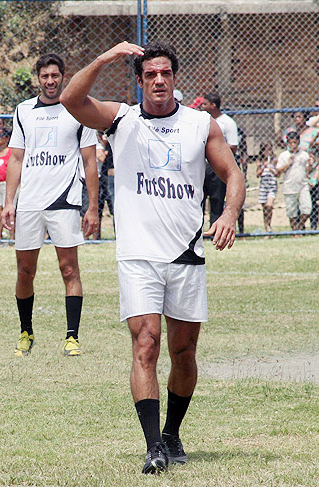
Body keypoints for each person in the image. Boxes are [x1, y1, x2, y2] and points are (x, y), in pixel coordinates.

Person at [60, 41, 245, 474]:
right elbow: (71, 99)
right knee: (146, 344)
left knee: (183, 350)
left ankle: (172, 432)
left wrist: (230, 213)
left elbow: (232, 174)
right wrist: (105, 58)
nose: (158, 81)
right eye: (149, 75)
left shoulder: (201, 125)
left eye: (165, 73)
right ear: (140, 81)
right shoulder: (121, 119)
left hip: (186, 255)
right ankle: (152, 447)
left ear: (174, 79)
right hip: (138, 255)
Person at [2, 53, 99, 358]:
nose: (50, 81)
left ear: (63, 77)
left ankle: (72, 336)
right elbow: (16, 158)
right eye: (45, 76)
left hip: (64, 202)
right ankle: (25, 331)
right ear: (38, 79)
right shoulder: (24, 111)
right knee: (25, 271)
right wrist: (9, 202)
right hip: (29, 203)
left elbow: (89, 160)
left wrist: (93, 206)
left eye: (55, 76)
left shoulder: (78, 109)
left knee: (69, 268)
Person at [200, 93, 238, 227]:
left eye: (205, 104)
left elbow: (233, 146)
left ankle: (214, 231)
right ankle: (197, 232)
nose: (202, 106)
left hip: (217, 167)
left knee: (216, 200)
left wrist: (213, 150)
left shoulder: (227, 122)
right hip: (202, 166)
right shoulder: (203, 121)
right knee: (199, 200)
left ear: (213, 105)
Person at [276, 131, 312, 232]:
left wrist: (310, 164)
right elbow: (278, 170)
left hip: (303, 185)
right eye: (290, 143)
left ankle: (299, 227)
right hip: (289, 186)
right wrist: (288, 163)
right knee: (291, 212)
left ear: (298, 142)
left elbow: (308, 170)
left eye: (295, 143)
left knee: (307, 208)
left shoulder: (304, 155)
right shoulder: (284, 155)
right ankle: (294, 230)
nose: (292, 145)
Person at [256, 142, 278, 233]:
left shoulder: (274, 160)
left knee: (269, 206)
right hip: (263, 186)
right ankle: (267, 227)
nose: (268, 152)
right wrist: (263, 166)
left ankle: (269, 225)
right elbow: (257, 174)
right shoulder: (260, 161)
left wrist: (271, 168)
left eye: (269, 149)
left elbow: (277, 173)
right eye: (266, 150)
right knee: (264, 208)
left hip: (272, 186)